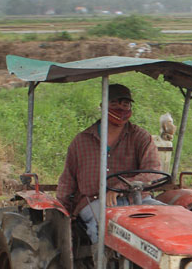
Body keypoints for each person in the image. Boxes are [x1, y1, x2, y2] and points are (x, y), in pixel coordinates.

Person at [57, 83, 163, 243]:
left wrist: (121, 187)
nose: (120, 109)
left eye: (125, 105)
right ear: (103, 106)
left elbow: (152, 172)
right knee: (103, 226)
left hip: (137, 199)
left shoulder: (141, 137)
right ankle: (101, 259)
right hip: (94, 201)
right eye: (114, 104)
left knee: (168, 218)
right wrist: (62, 211)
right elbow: (67, 180)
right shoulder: (81, 141)